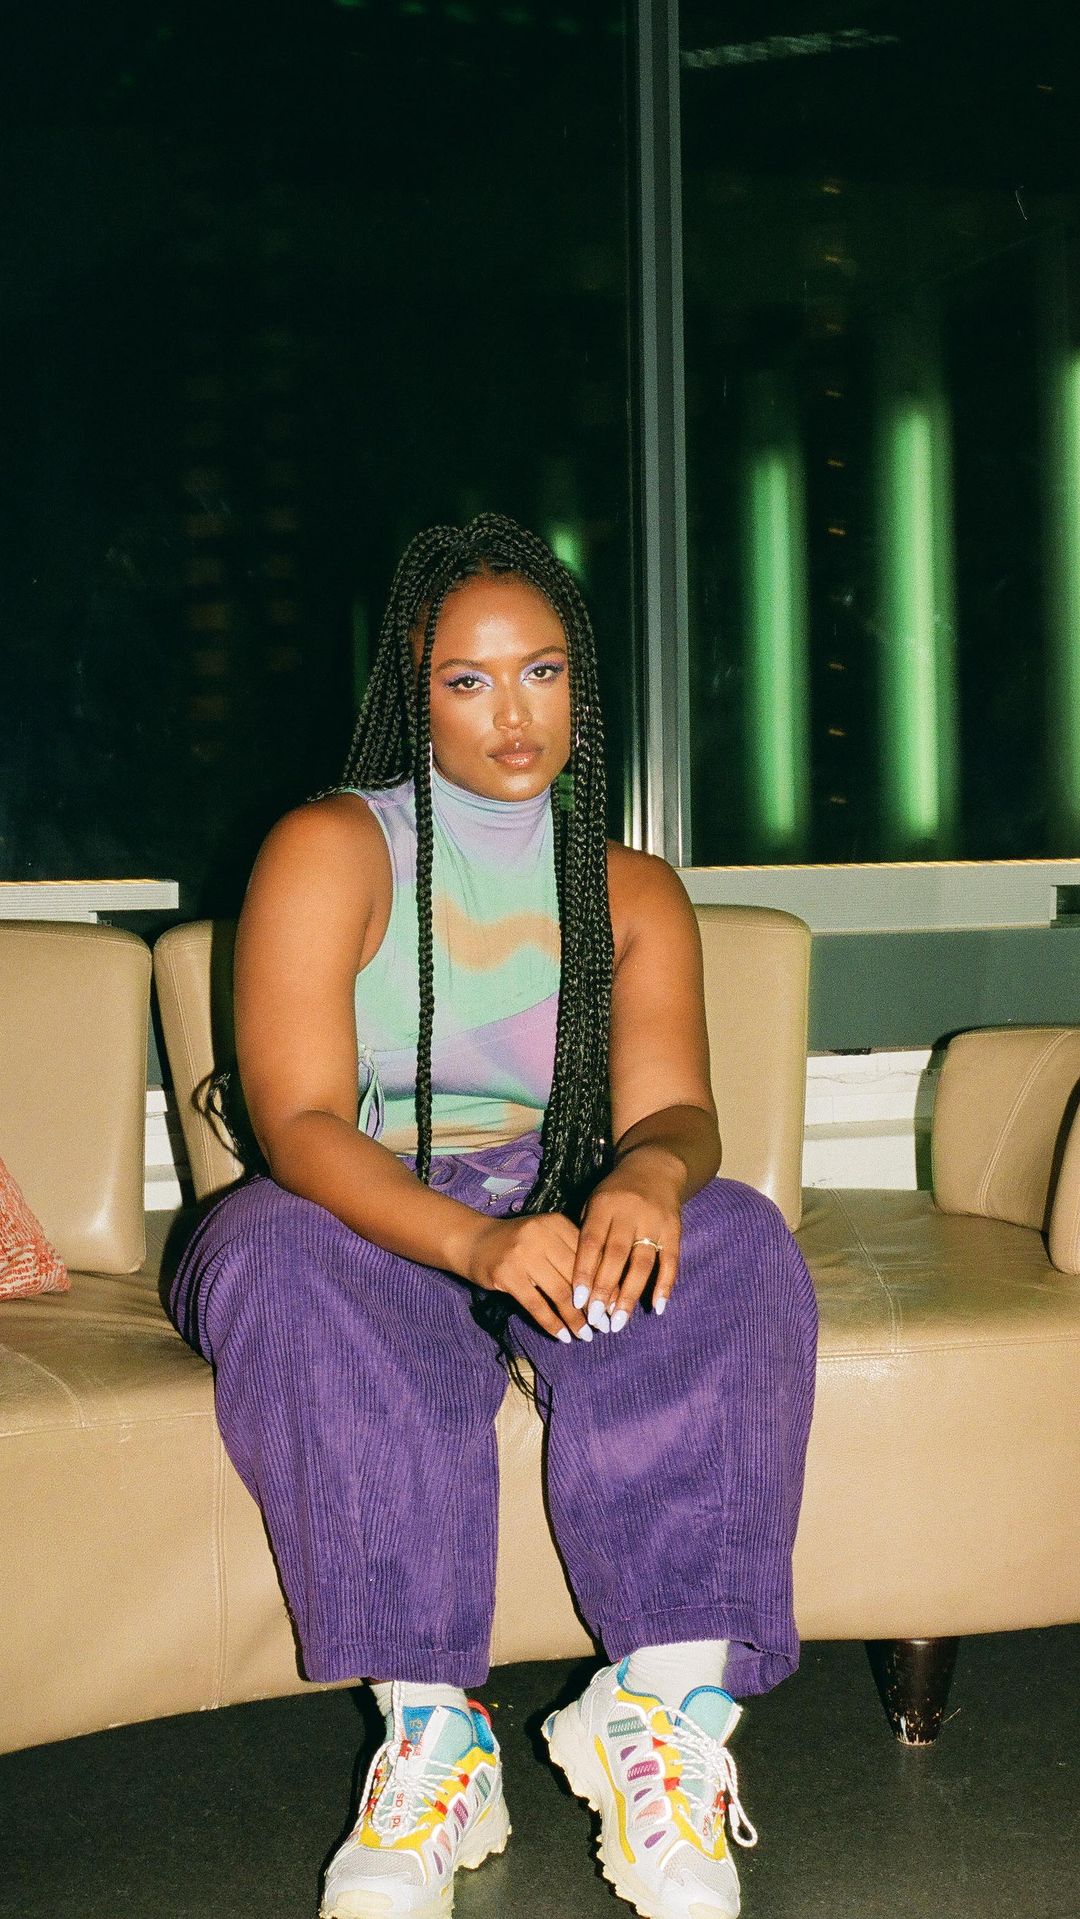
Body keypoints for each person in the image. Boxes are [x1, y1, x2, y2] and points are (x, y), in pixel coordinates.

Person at [169, 512, 818, 1919]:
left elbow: (676, 1112)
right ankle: (434, 1741)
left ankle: (660, 1712)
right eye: (467, 680)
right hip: (357, 1214)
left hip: (553, 1198)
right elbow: (298, 1127)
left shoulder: (632, 889)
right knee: (270, 1248)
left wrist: (650, 1174)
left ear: (581, 681)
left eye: (541, 672)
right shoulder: (332, 847)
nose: (512, 714)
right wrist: (472, 1242)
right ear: (415, 692)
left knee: (737, 1239)